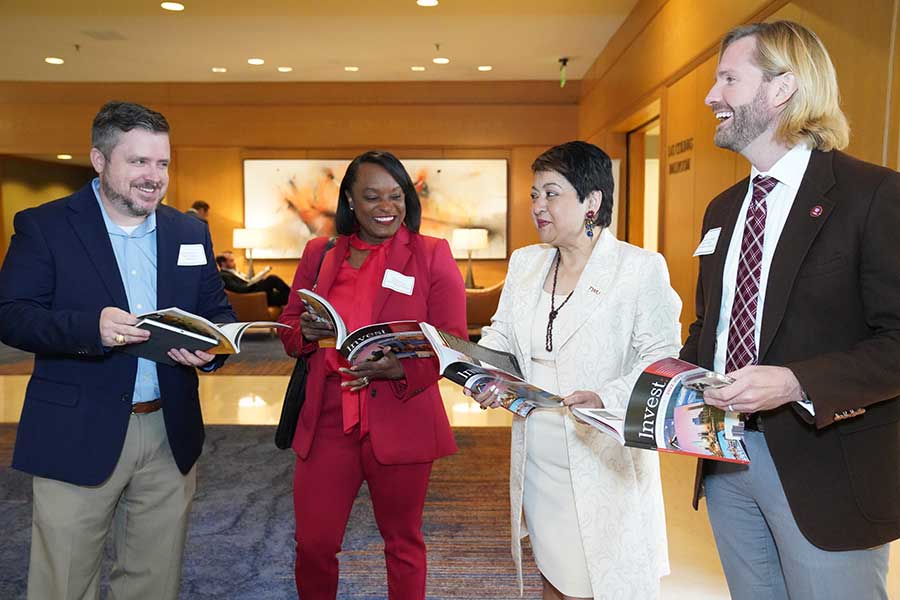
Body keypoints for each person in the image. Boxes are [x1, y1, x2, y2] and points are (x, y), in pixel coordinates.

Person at [681, 20, 900, 599]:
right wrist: (634, 392)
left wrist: (795, 381)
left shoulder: (874, 197)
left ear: (781, 89)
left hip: (827, 469)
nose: (711, 96)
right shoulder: (723, 210)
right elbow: (710, 328)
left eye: (729, 78)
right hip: (725, 458)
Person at [0, 101, 234, 600]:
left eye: (163, 163)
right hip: (75, 428)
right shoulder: (45, 226)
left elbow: (218, 312)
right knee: (63, 582)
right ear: (99, 160)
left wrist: (213, 350)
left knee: (154, 580)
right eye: (138, 162)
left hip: (169, 431)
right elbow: (12, 314)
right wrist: (92, 328)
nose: (154, 177)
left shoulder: (188, 231)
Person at [474, 141, 682, 600]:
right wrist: (479, 370)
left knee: (599, 579)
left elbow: (661, 360)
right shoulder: (526, 263)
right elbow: (502, 336)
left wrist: (605, 396)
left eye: (551, 194)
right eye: (533, 195)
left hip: (600, 453)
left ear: (592, 201)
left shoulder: (638, 269)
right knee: (554, 573)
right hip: (538, 454)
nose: (537, 206)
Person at [278, 150, 467, 599]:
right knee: (315, 544)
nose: (387, 207)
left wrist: (399, 366)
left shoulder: (431, 255)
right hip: (327, 419)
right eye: (372, 197)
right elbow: (288, 328)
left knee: (402, 543)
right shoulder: (319, 254)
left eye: (395, 196)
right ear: (349, 200)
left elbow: (453, 341)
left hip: (401, 416)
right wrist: (304, 332)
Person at [216, 250, 291, 307]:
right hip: (249, 296)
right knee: (272, 279)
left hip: (256, 294)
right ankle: (294, 295)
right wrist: (255, 282)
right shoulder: (224, 275)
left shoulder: (235, 272)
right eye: (231, 261)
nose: (234, 263)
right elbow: (240, 289)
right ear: (223, 263)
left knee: (282, 296)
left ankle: (294, 297)